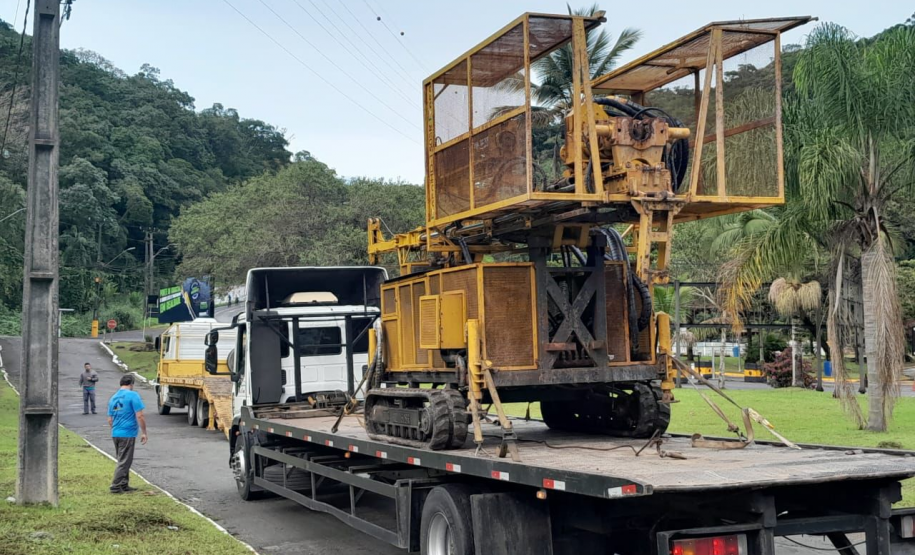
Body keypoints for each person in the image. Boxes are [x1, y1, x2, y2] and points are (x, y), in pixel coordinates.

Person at [107, 374, 148, 494]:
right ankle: (115, 486)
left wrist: (116, 428)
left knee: (122, 459)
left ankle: (124, 484)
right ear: (131, 384)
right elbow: (140, 415)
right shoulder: (133, 395)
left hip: (116, 432)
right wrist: (144, 432)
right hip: (127, 432)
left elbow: (109, 419)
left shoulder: (113, 398)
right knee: (125, 461)